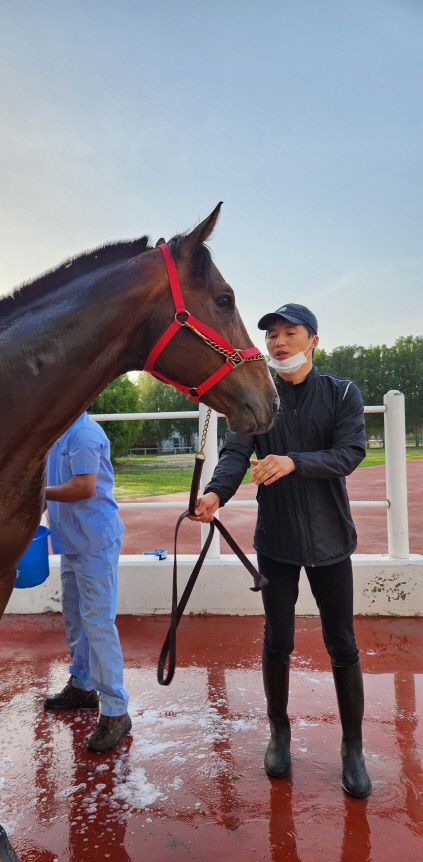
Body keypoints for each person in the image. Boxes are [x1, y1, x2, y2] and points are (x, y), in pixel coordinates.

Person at [193, 303, 372, 798]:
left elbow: (349, 454)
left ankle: (353, 747)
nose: (278, 341)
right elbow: (235, 453)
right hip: (276, 542)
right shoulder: (257, 396)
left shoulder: (342, 393)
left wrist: (293, 462)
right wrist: (215, 493)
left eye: (290, 332)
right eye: (272, 334)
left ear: (313, 340)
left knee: (343, 643)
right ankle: (279, 732)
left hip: (331, 541)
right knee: (277, 640)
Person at [43, 411, 131, 752]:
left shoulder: (84, 434)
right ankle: (82, 685)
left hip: (94, 541)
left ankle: (116, 710)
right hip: (71, 539)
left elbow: (85, 486)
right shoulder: (57, 432)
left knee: (97, 623)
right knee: (76, 617)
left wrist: (38, 495)